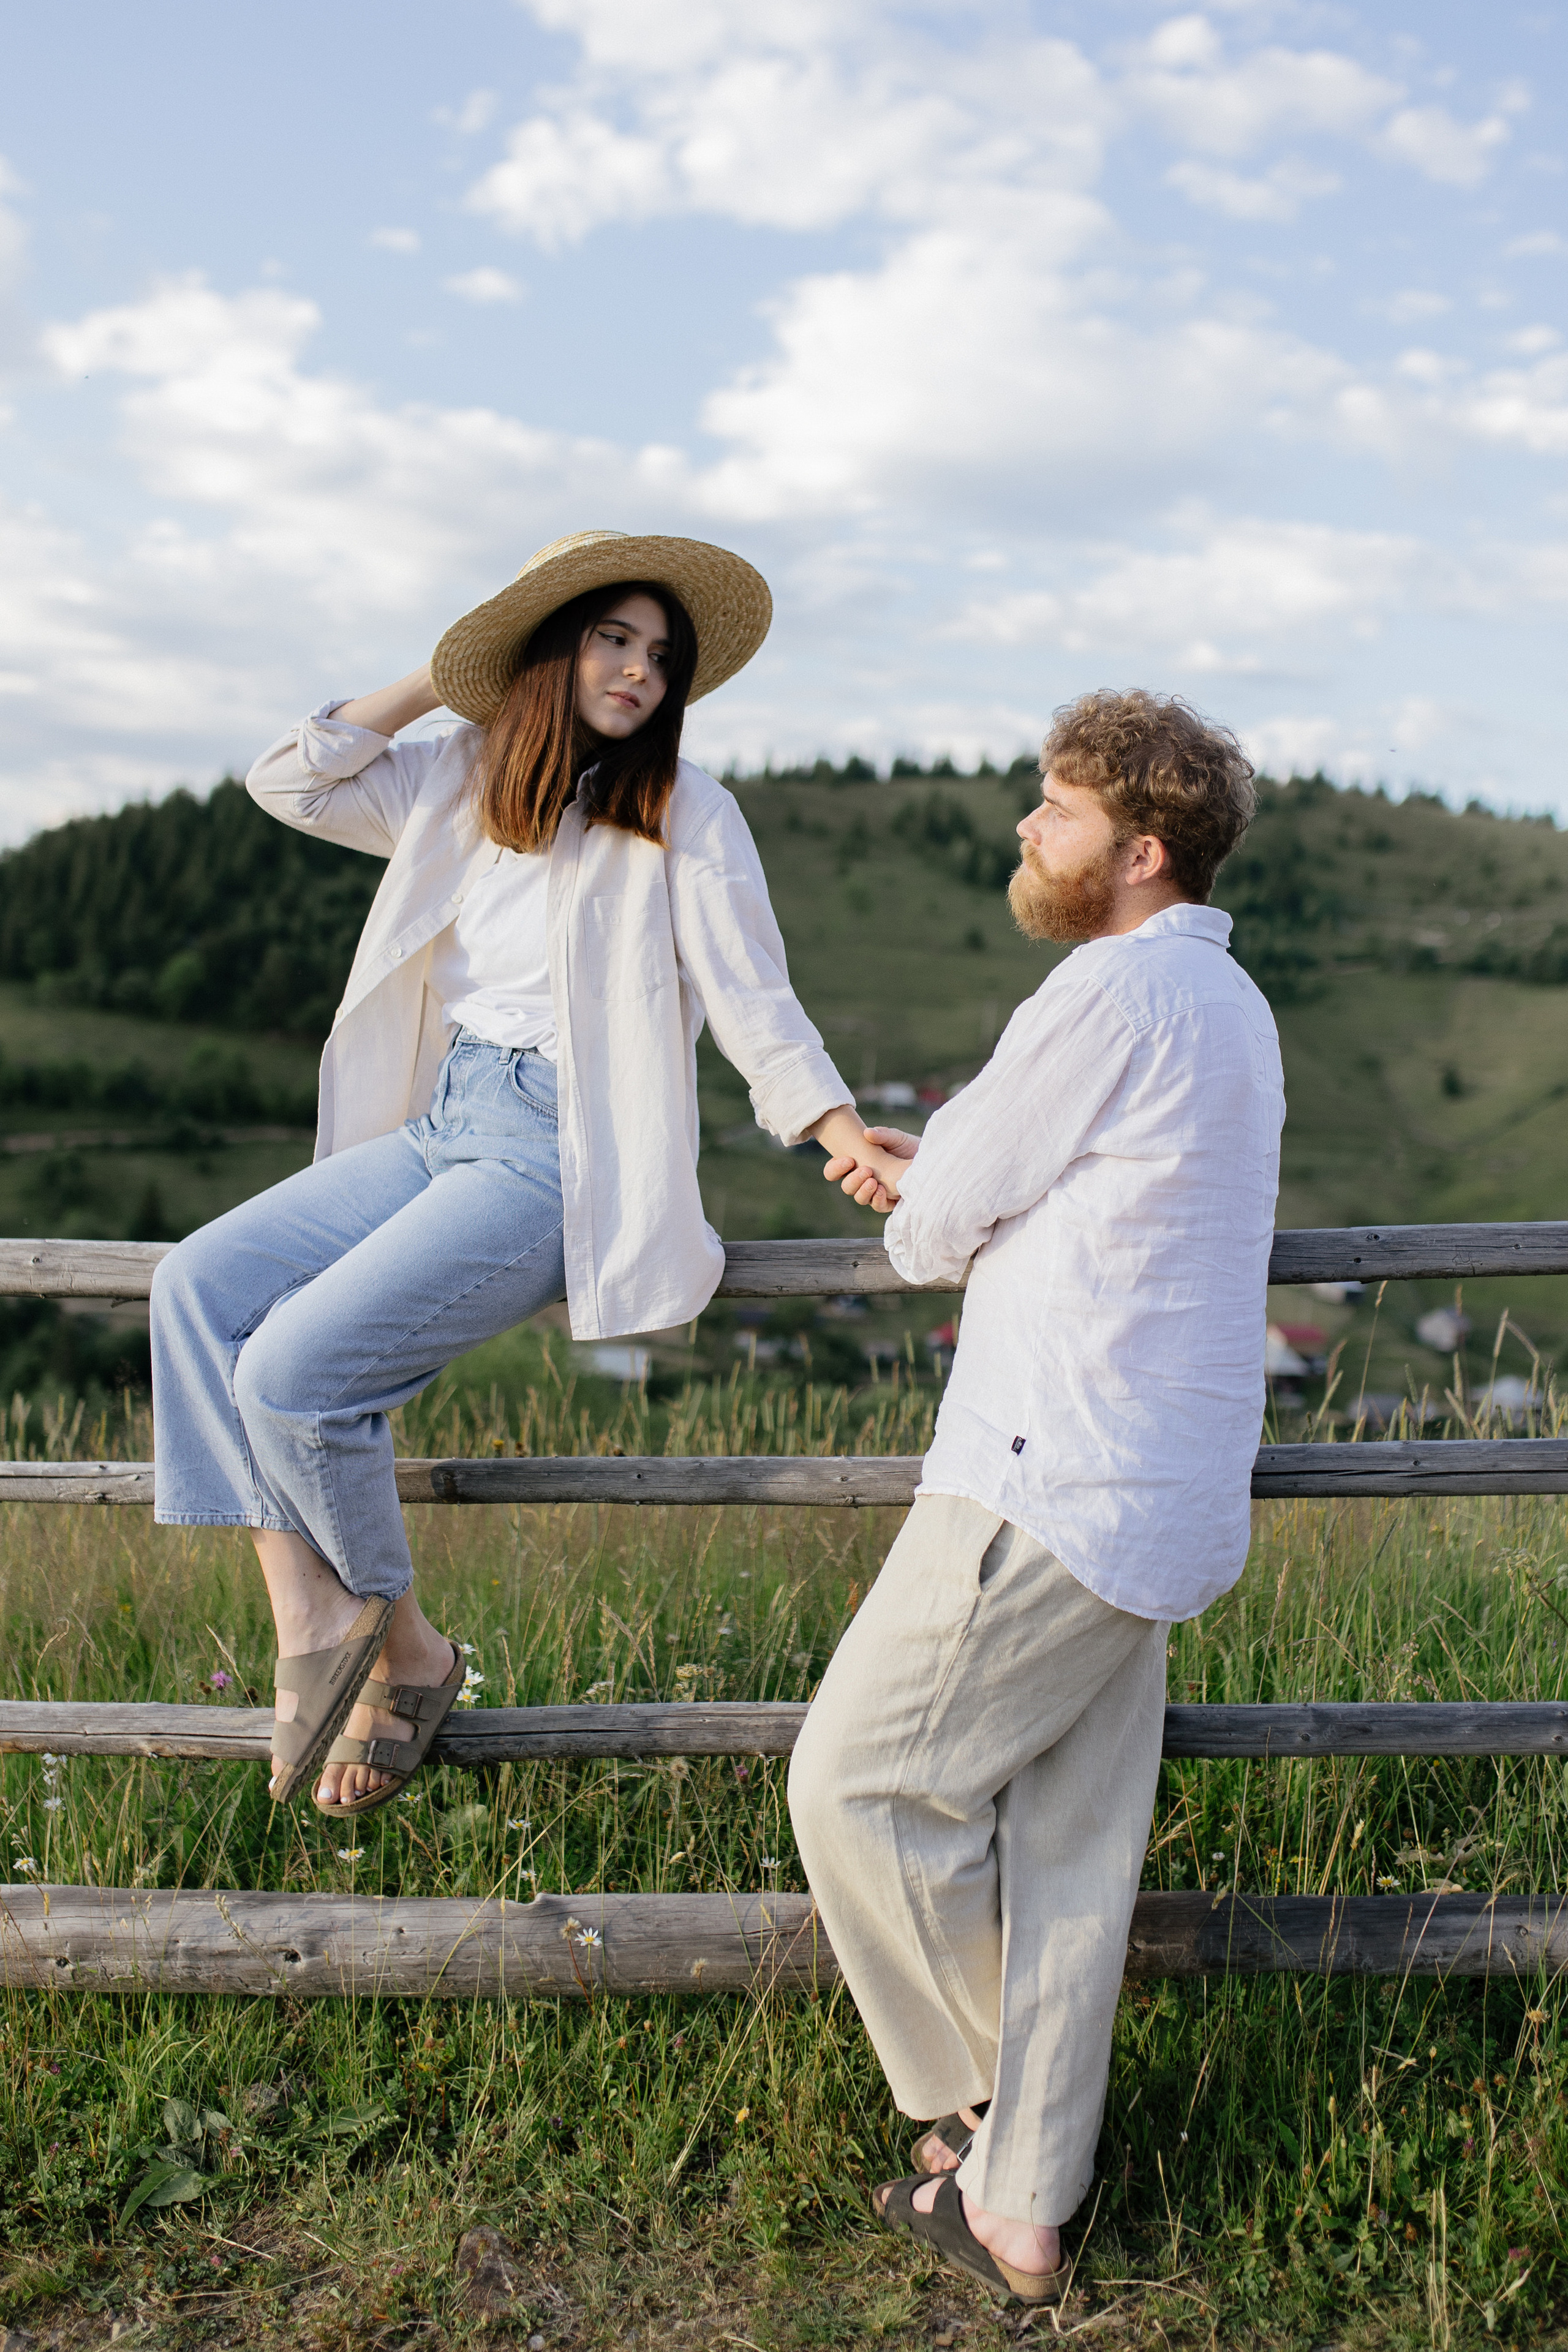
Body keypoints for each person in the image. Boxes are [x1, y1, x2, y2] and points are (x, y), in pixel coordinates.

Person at [150, 528, 903, 1820]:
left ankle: (374, 1646)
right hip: (445, 1123)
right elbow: (290, 780)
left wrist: (832, 1125)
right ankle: (351, 1629)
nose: (639, 671)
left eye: (659, 656)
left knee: (292, 1375)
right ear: (548, 648)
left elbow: (749, 995)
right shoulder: (454, 775)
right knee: (196, 1287)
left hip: (560, 1154)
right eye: (612, 639)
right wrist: (441, 681)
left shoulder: (684, 810)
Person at [789, 689, 1284, 2307]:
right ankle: (1024, 2213)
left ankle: (989, 2130)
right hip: (1160, 1499)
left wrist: (918, 1184)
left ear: (1137, 853)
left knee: (856, 1786)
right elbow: (1061, 1187)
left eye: (1056, 810)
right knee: (1072, 1863)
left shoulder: (1108, 988)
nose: (1027, 829)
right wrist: (950, 1175)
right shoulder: (1228, 1005)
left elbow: (939, 1234)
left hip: (1047, 1480)